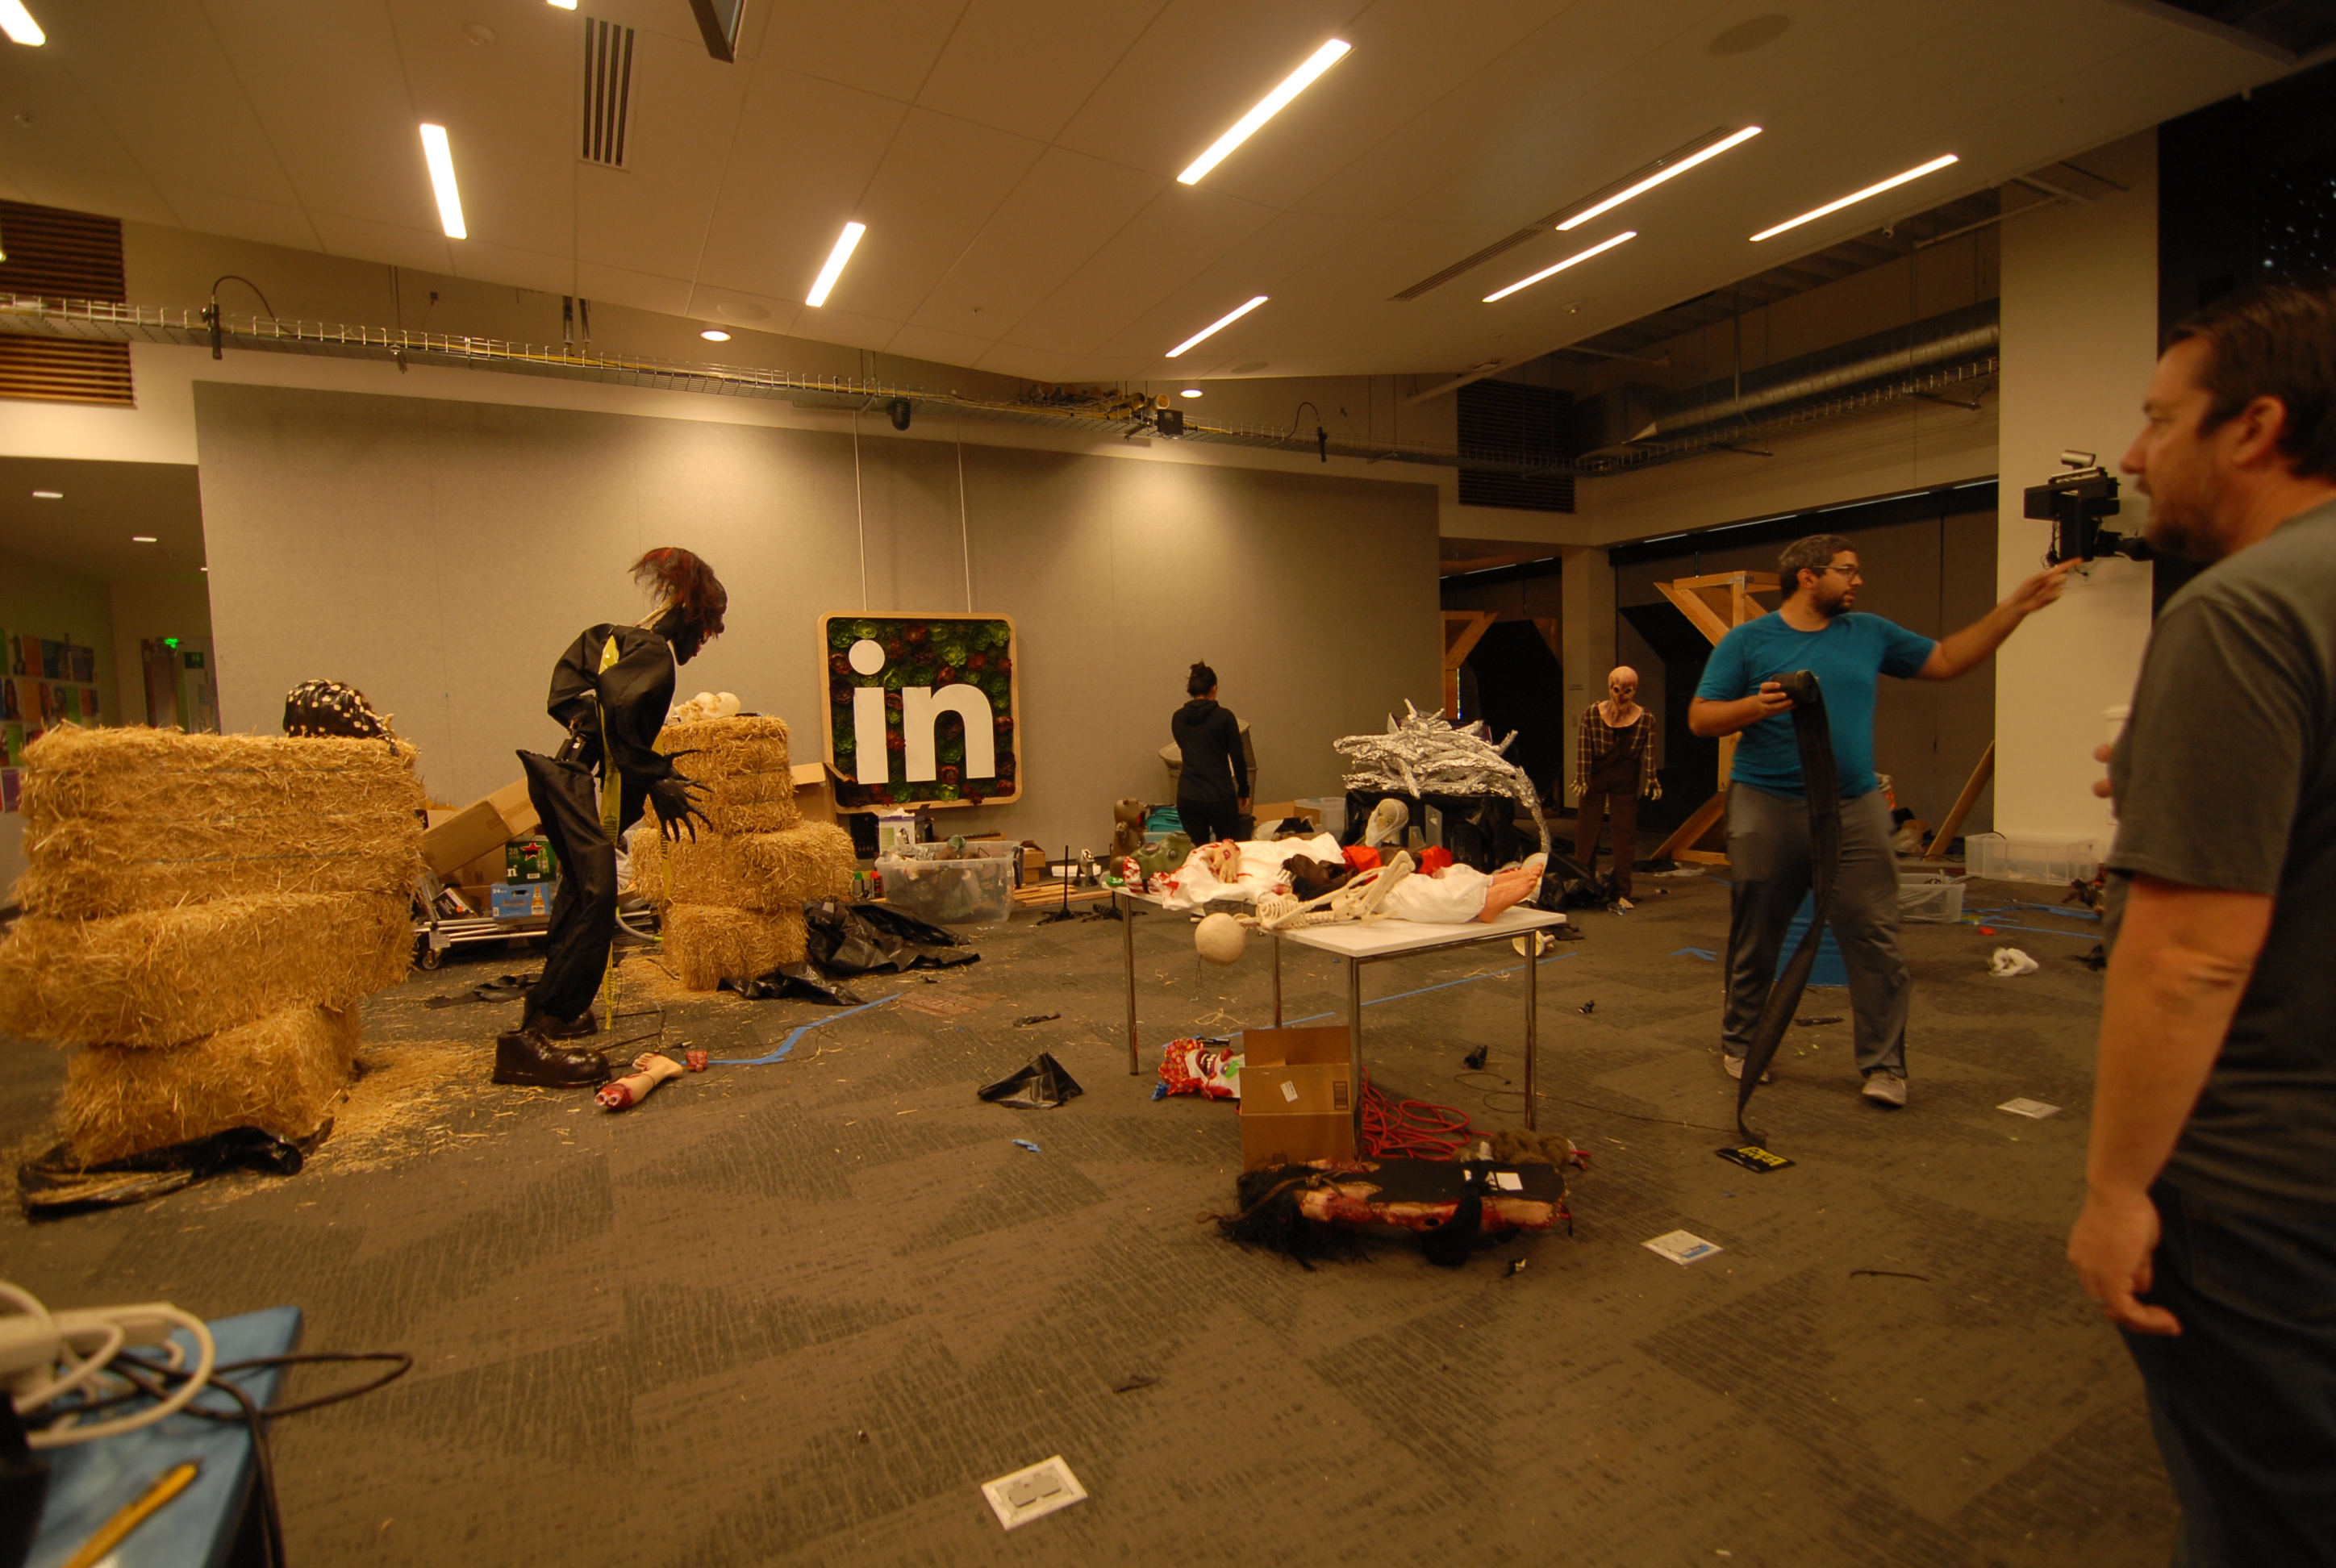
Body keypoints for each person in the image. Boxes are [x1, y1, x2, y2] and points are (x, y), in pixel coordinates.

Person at [2064, 280, 2336, 1565]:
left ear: (2256, 427)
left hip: (2265, 1188)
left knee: (2266, 1524)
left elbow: (2189, 959)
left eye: (2162, 418)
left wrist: (2116, 1190)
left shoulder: (2242, 609)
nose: (2133, 454)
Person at [1689, 534, 2071, 1105]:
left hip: (1853, 804)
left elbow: (1948, 660)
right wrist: (1754, 706)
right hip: (1767, 802)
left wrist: (2015, 607)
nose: (1859, 580)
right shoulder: (1749, 641)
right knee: (1758, 932)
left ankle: (1885, 1065)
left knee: (1873, 933)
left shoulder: (1868, 633)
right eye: (1847, 570)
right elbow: (1701, 718)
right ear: (1808, 576)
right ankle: (1743, 1043)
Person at [494, 548, 722, 1087]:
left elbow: (576, 698)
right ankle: (529, 1041)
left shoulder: (621, 640)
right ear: (689, 612)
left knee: (581, 890)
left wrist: (634, 764)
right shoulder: (653, 652)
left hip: (566, 775)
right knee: (596, 897)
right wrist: (656, 776)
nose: (701, 645)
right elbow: (618, 713)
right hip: (572, 780)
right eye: (705, 631)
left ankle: (554, 1012)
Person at [1572, 665, 1661, 908]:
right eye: (1616, 689)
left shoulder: (1646, 719)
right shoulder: (1592, 714)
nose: (1620, 696)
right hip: (1596, 775)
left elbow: (1650, 752)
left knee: (1624, 832)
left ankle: (1622, 890)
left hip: (1626, 778)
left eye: (1627, 691)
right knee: (1587, 830)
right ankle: (1582, 885)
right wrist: (1581, 777)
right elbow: (1583, 747)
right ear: (1609, 688)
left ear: (1635, 691)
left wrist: (1652, 778)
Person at [1171, 661, 1249, 845]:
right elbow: (1238, 757)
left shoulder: (1178, 718)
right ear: (1214, 688)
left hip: (1188, 796)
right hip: (1220, 796)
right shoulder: (1225, 717)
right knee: (1228, 851)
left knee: (1198, 854)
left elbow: (1187, 748)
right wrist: (1243, 790)